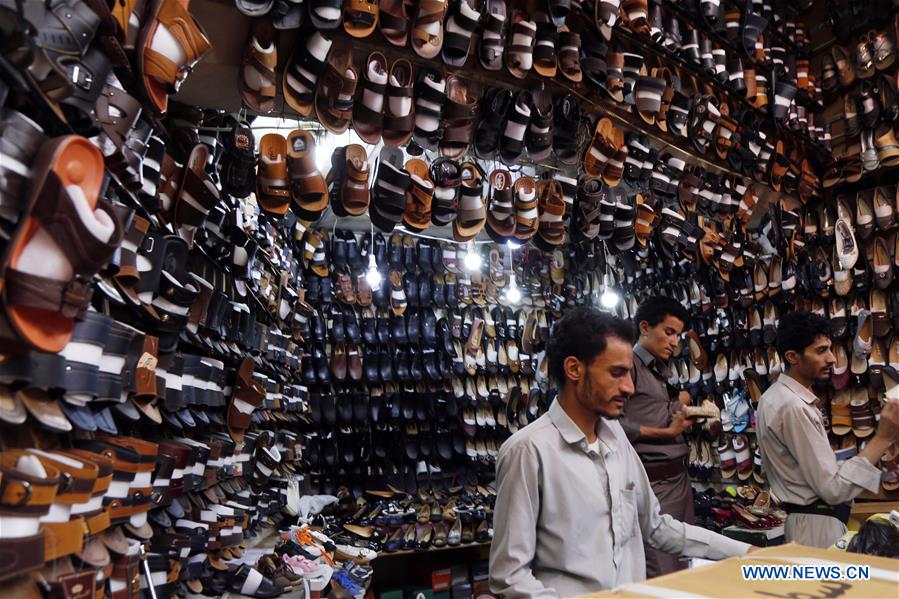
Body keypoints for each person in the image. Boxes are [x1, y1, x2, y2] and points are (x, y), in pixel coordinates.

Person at [489, 306, 751, 597]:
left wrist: (746, 552)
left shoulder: (615, 438)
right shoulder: (528, 452)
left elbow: (656, 526)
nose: (628, 387)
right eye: (617, 373)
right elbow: (510, 576)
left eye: (629, 373)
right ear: (574, 369)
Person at [756, 312, 899, 548]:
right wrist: (882, 438)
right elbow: (833, 490)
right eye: (821, 351)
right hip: (815, 530)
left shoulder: (778, 398)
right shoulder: (792, 407)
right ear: (793, 356)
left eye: (830, 349)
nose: (833, 359)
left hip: (813, 523)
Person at [619, 296, 695, 578]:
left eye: (678, 335)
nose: (675, 342)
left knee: (680, 565)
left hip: (677, 480)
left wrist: (680, 407)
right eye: (669, 332)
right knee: (661, 568)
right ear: (645, 327)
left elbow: (647, 411)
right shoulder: (629, 366)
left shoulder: (657, 369)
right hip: (654, 481)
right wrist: (667, 431)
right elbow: (615, 424)